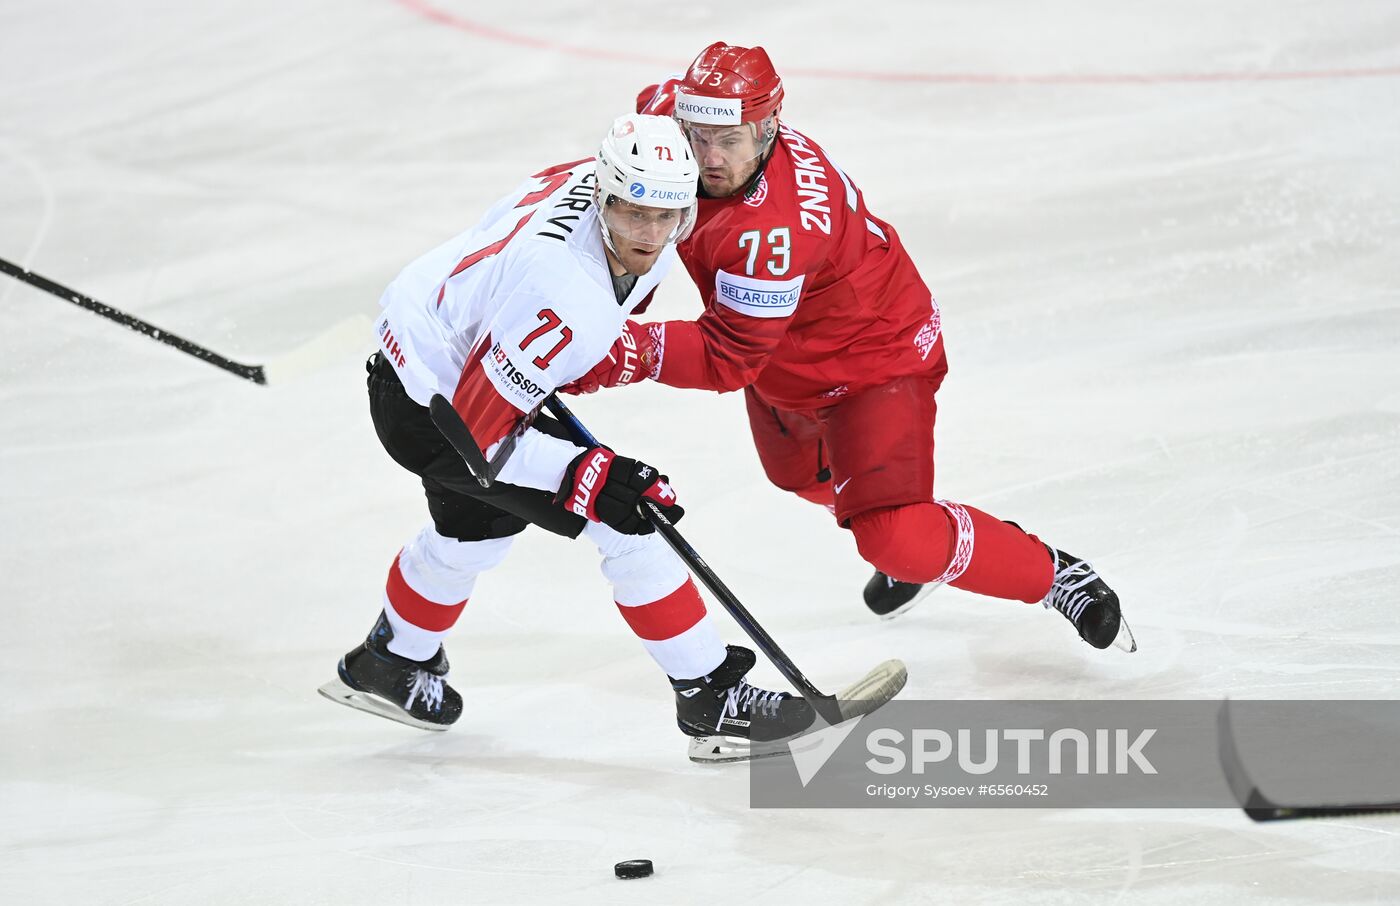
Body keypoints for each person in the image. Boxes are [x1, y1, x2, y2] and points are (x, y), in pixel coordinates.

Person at [565, 45, 1134, 652]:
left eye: (727, 140)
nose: (707, 157)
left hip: (875, 360)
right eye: (697, 133)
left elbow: (727, 356)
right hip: (785, 356)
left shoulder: (774, 232)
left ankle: (1052, 575)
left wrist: (600, 353)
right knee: (796, 475)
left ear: (767, 130)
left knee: (895, 539)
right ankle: (910, 514)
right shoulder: (670, 122)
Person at [318, 113, 814, 759]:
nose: (652, 234)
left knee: (477, 527)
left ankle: (391, 660)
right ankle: (710, 697)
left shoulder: (591, 182)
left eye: (668, 215)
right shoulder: (569, 296)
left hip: (433, 357)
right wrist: (596, 479)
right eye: (635, 212)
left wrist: (526, 354)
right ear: (606, 192)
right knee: (631, 518)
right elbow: (475, 437)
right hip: (435, 409)